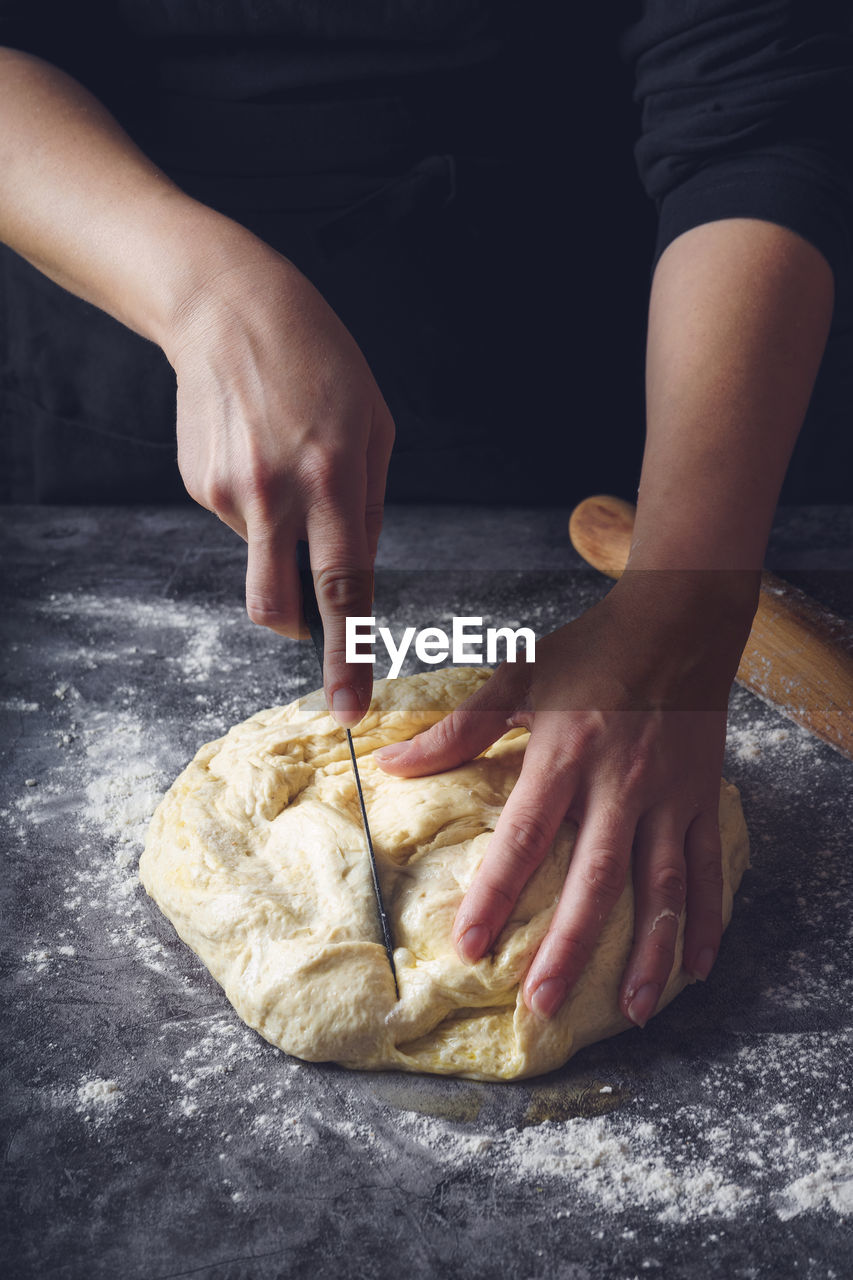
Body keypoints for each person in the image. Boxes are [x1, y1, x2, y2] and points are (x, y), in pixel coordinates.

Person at [1, 4, 851, 1029]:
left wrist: (685, 599)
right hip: (132, 340)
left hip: (621, 384)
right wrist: (197, 289)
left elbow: (757, 107)